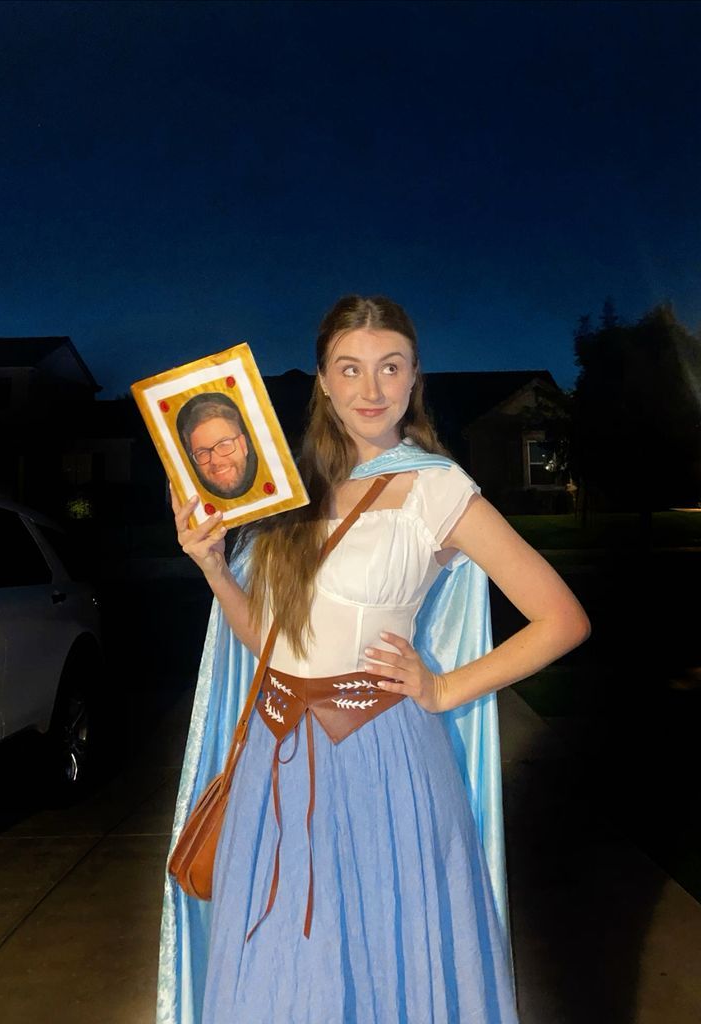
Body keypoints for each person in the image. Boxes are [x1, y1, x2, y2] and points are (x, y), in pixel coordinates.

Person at [157, 295, 591, 1024]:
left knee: (379, 964)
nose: (371, 389)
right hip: (275, 755)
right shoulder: (290, 492)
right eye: (350, 369)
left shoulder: (437, 487)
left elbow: (561, 618)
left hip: (379, 758)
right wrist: (214, 570)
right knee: (275, 975)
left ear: (415, 376)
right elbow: (269, 641)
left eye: (390, 368)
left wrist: (446, 686)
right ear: (323, 382)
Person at [176, 392, 258, 499]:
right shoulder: (193, 511)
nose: (215, 461)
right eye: (202, 453)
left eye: (223, 445)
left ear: (243, 445)